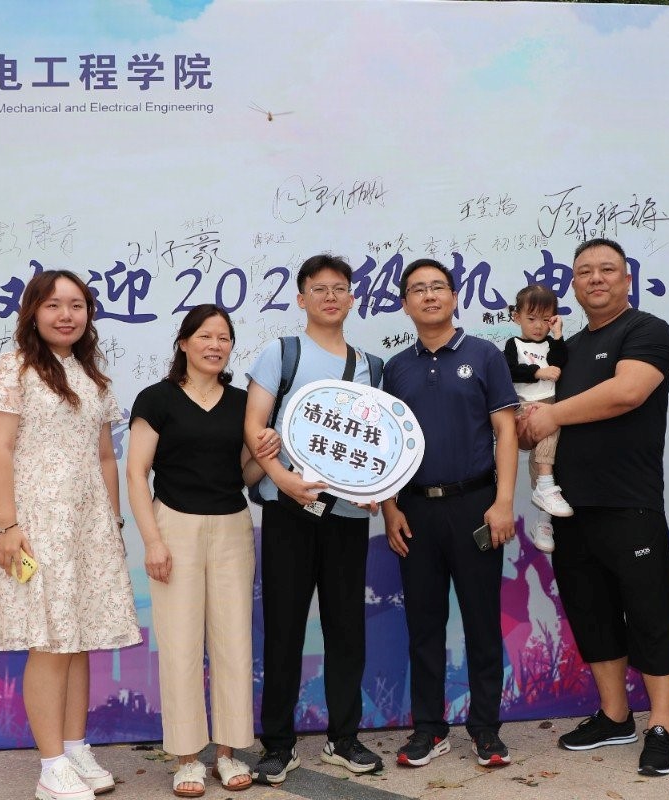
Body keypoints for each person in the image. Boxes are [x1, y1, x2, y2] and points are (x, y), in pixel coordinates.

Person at [0, 270, 141, 800]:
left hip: (87, 527)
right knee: (48, 641)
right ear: (33, 312)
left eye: (77, 305)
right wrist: (8, 525)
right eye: (54, 305)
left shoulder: (92, 376)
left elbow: (106, 456)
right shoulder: (14, 367)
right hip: (36, 524)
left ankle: (74, 746)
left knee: (78, 639)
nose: (66, 315)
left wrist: (112, 524)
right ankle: (50, 767)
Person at [518, 238, 669, 777]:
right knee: (592, 614)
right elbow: (536, 414)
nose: (596, 278)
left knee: (650, 614)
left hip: (629, 501)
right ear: (573, 283)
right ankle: (615, 716)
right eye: (585, 271)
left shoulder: (646, 330)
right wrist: (527, 424)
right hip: (569, 506)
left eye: (607, 269)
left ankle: (662, 724)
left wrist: (552, 416)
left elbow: (627, 392)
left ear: (627, 278)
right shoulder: (564, 350)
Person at [243, 254, 385, 785]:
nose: (330, 297)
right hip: (288, 513)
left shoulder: (371, 365)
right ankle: (278, 745)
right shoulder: (282, 353)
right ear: (301, 298)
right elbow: (255, 426)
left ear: (352, 299)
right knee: (283, 628)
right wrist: (283, 480)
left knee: (347, 629)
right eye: (319, 289)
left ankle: (343, 739)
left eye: (340, 288)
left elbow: (378, 442)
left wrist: (377, 492)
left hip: (346, 516)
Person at [127, 305, 277, 796]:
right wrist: (152, 540)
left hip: (233, 525)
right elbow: (136, 473)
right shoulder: (156, 399)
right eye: (205, 336)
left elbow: (245, 474)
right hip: (174, 525)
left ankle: (228, 754)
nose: (215, 345)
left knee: (234, 641)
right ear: (184, 342)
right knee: (180, 644)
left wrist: (264, 457)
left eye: (224, 338)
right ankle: (187, 758)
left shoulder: (241, 403)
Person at [382, 258, 519, 769]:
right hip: (415, 509)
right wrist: (390, 508)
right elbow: (387, 445)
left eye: (438, 287)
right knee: (424, 625)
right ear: (405, 304)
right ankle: (429, 729)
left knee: (482, 622)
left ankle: (486, 730)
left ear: (455, 297)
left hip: (475, 506)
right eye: (418, 289)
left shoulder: (484, 355)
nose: (429, 295)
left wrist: (503, 502)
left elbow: (506, 430)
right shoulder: (397, 367)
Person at [504, 284, 571, 553]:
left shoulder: (552, 344)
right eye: (531, 318)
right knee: (547, 446)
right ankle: (544, 491)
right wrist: (537, 372)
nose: (538, 326)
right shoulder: (514, 344)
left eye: (545, 319)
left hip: (551, 404)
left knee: (546, 462)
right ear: (516, 317)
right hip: (524, 406)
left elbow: (561, 360)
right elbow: (508, 370)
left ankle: (544, 521)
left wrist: (558, 335)